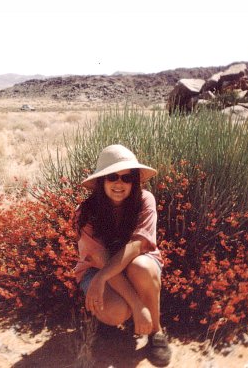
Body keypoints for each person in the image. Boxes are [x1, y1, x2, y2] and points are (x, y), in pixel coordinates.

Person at [74, 144, 171, 367]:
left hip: (133, 266)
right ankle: (118, 317)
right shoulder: (85, 211)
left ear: (134, 182)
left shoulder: (145, 200)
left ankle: (156, 332)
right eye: (113, 177)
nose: (119, 184)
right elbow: (99, 258)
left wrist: (102, 279)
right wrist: (137, 306)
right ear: (102, 181)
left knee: (142, 267)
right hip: (98, 268)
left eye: (127, 178)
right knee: (118, 312)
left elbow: (137, 245)